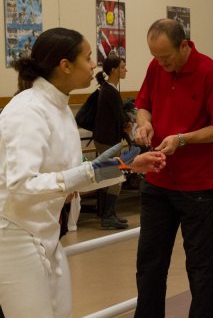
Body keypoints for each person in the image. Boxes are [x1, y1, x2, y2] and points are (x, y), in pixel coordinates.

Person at [0, 27, 165, 317]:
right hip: (14, 234)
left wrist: (126, 165)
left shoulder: (60, 108)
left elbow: (76, 176)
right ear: (65, 65)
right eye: (88, 58)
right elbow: (21, 184)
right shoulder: (26, 111)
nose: (93, 65)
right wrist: (83, 175)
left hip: (47, 232)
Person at [134, 18, 213, 318]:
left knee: (202, 268)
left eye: (166, 57)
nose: (160, 63)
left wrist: (182, 139)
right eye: (155, 56)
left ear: (185, 46)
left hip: (200, 188)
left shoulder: (211, 74)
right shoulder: (156, 68)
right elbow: (143, 104)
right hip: (158, 181)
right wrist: (144, 124)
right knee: (149, 264)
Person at [93, 54, 130, 229]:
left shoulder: (107, 88)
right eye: (122, 67)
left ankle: (107, 213)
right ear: (114, 70)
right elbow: (120, 117)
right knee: (116, 177)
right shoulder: (111, 91)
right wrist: (128, 123)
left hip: (105, 139)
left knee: (109, 176)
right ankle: (107, 215)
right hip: (108, 141)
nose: (125, 70)